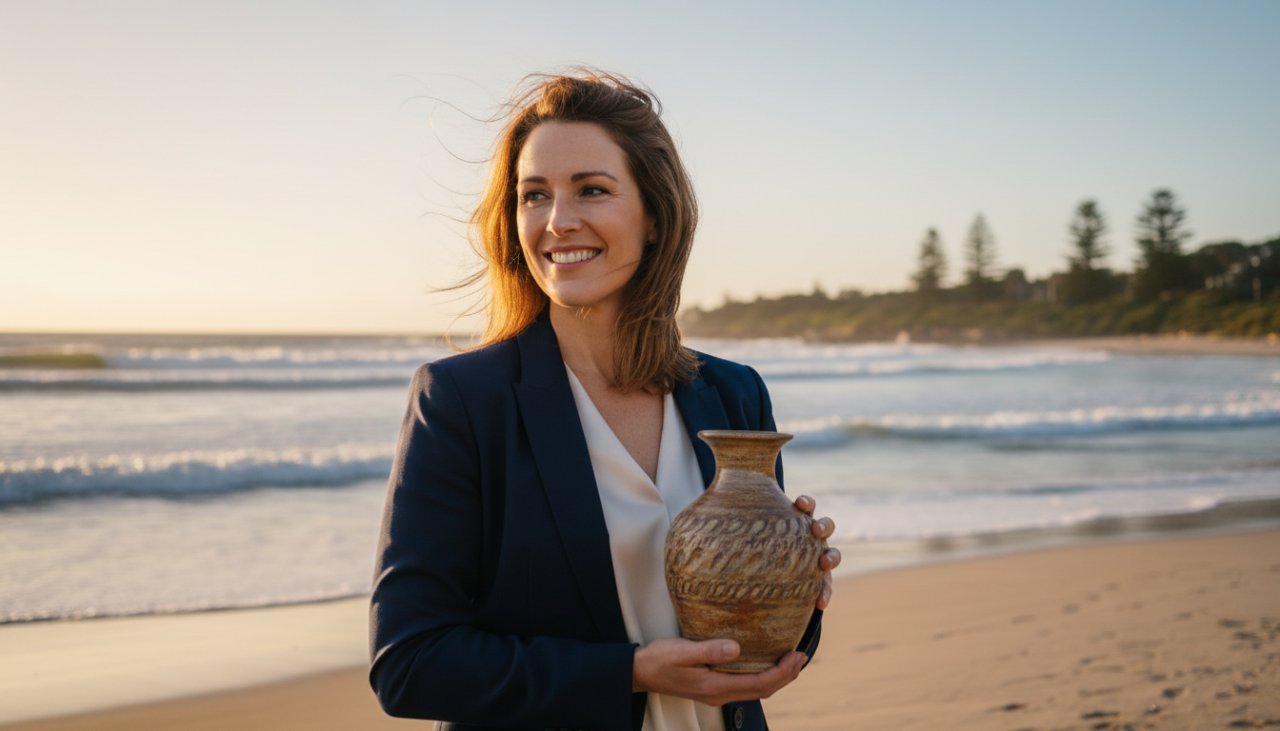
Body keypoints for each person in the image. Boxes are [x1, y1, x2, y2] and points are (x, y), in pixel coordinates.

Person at [369, 70, 841, 731]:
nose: (559, 220)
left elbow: (758, 652)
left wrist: (800, 595)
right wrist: (633, 671)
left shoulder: (734, 394)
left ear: (653, 216)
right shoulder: (462, 402)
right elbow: (410, 662)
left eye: (591, 189)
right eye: (535, 195)